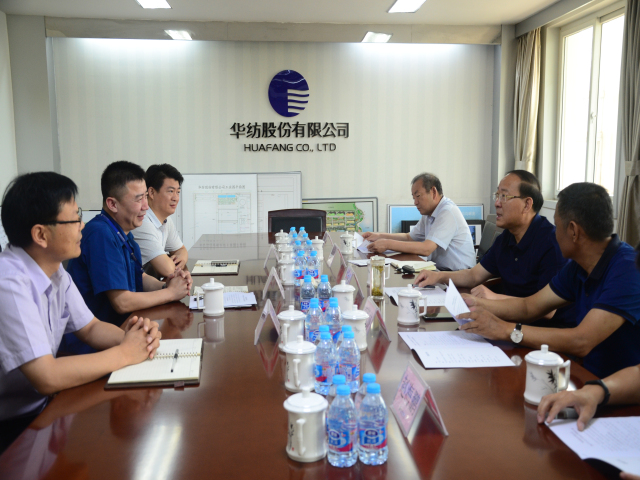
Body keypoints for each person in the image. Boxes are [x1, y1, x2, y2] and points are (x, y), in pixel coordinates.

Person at [0, 172, 161, 453]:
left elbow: (91, 327)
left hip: (43, 409)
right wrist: (125, 353)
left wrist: (138, 339)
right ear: (40, 234)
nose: (82, 226)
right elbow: (46, 377)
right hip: (11, 426)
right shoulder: (9, 283)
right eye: (75, 219)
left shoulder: (56, 271)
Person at [459, 182, 640, 379]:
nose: (554, 233)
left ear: (573, 231)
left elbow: (582, 340)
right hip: (588, 378)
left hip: (620, 388)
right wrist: (475, 304)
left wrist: (505, 330)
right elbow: (529, 307)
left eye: (557, 226)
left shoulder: (628, 269)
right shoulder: (578, 266)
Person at [415, 170, 572, 326]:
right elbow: (473, 275)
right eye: (497, 196)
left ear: (527, 204)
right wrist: (437, 276)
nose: (497, 203)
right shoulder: (506, 238)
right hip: (511, 322)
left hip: (544, 333)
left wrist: (494, 298)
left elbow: (548, 311)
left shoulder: (552, 242)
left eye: (504, 196)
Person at [67, 161, 191, 329]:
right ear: (112, 204)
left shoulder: (125, 234)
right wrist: (170, 293)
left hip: (123, 326)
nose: (146, 206)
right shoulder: (100, 234)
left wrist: (168, 284)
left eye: (145, 197)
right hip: (98, 336)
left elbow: (140, 278)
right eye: (139, 199)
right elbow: (122, 302)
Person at [362, 173, 475, 270]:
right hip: (440, 271)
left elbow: (426, 249)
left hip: (459, 275)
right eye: (414, 198)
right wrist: (379, 236)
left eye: (418, 196)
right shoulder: (429, 213)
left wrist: (387, 244)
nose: (415, 202)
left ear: (433, 192)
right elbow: (409, 237)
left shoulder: (448, 212)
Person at [132, 164, 187, 279]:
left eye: (178, 192)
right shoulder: (142, 221)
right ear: (151, 192)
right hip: (139, 288)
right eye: (171, 191)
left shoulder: (165, 219)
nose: (175, 198)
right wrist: (174, 263)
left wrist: (179, 259)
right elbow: (167, 270)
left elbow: (181, 250)